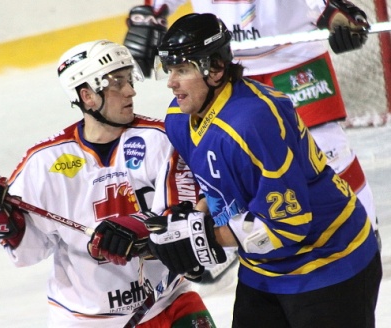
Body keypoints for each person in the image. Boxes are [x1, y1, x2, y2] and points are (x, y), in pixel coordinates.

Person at [144, 13, 382, 328]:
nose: (172, 82)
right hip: (264, 269)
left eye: (183, 70)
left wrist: (208, 239)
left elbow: (288, 226)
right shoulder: (180, 118)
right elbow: (215, 184)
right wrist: (192, 220)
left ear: (215, 69)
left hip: (330, 262)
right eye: (170, 69)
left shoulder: (254, 122)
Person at [0, 40, 216, 327]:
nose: (130, 90)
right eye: (117, 82)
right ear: (88, 96)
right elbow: (27, 252)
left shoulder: (162, 139)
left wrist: (136, 226)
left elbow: (182, 212)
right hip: (86, 320)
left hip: (168, 301)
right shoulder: (43, 163)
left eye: (129, 79)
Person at [123, 0, 381, 247]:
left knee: (329, 152)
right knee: (221, 163)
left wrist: (331, 8)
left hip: (294, 56)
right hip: (218, 65)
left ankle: (365, 229)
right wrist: (151, 11)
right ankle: (237, 230)